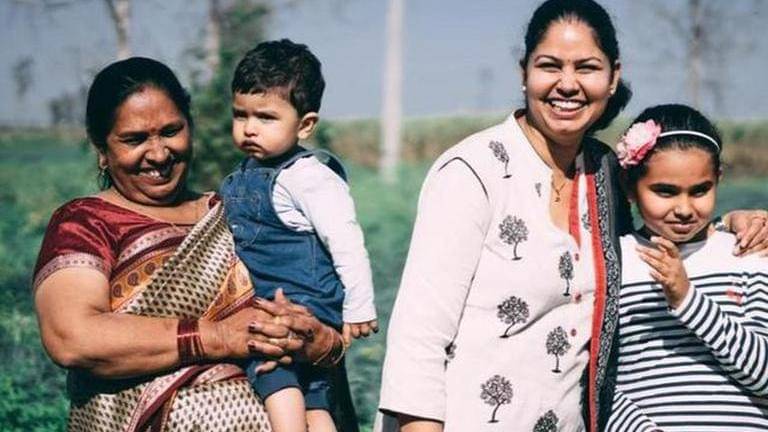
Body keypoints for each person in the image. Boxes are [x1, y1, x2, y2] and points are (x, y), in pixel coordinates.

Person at [376, 1, 768, 431]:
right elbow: (419, 336)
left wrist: (732, 224)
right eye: (549, 66)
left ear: (613, 77)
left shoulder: (606, 174)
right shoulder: (473, 172)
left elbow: (664, 226)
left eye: (586, 68)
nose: (567, 84)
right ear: (524, 72)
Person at [33, 56, 350, 432]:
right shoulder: (86, 223)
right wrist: (219, 337)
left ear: (191, 126)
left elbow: (322, 312)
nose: (158, 154)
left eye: (171, 131)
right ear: (102, 148)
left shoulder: (238, 211)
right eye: (135, 139)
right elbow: (72, 339)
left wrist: (314, 340)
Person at [219, 39, 377, 432]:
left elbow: (346, 241)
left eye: (266, 117)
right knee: (316, 398)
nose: (249, 128)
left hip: (296, 305)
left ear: (305, 125)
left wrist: (359, 306)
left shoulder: (307, 176)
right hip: (282, 303)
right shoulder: (245, 174)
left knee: (273, 373)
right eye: (241, 115)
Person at [606, 104, 768, 431]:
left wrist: (686, 299)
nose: (684, 209)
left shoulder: (750, 253)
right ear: (629, 185)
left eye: (700, 191)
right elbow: (595, 381)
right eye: (665, 191)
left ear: (718, 179)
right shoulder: (613, 263)